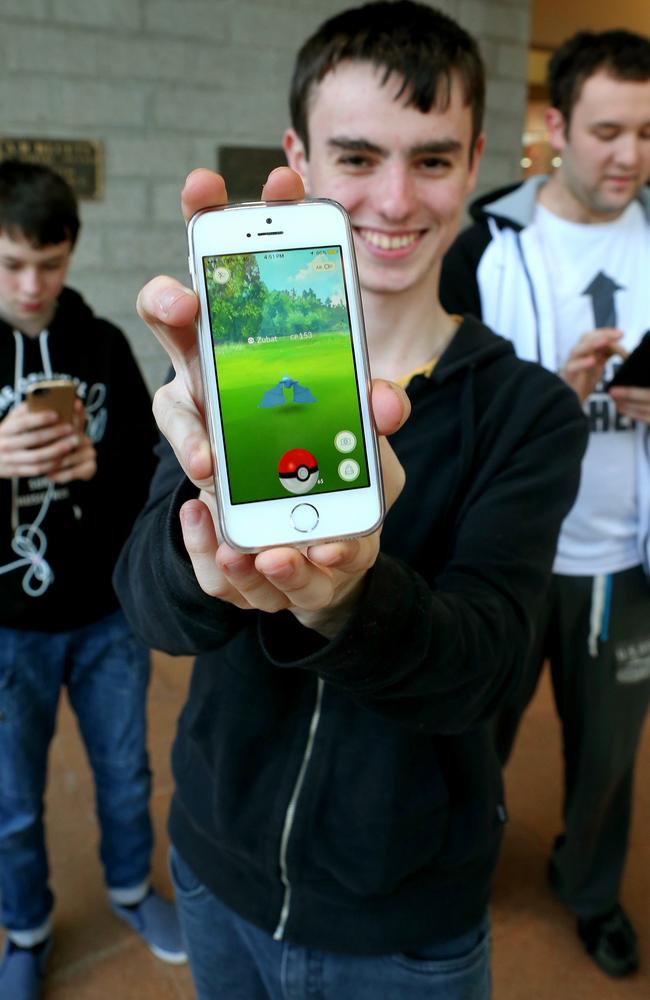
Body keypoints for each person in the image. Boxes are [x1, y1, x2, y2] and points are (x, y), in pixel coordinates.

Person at [115, 4, 587, 998]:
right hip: (215, 866)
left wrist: (346, 602)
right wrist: (203, 547)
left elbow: (486, 667)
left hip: (404, 921)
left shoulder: (527, 413)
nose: (390, 199)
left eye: (430, 159)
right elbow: (152, 609)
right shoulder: (224, 368)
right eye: (356, 156)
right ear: (298, 155)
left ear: (472, 163)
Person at [440, 28, 650, 979]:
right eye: (610, 131)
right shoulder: (483, 241)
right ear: (557, 123)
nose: (631, 157)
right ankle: (453, 874)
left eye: (649, 135)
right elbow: (445, 406)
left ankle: (591, 891)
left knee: (609, 761)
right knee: (474, 740)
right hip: (508, 556)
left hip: (626, 559)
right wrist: (545, 407)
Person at [0, 160, 186, 1000]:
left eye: (51, 261)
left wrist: (94, 465)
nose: (33, 284)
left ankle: (131, 890)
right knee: (9, 801)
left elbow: (150, 476)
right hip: (6, 627)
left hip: (106, 615)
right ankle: (26, 930)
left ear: (72, 250)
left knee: (125, 771)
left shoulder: (104, 343)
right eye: (10, 264)